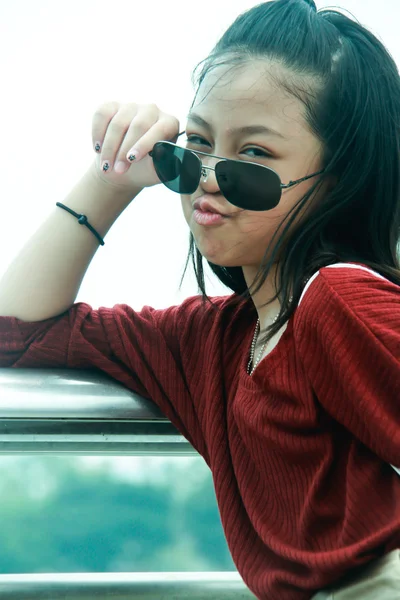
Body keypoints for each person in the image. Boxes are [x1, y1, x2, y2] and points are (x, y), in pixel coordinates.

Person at [0, 0, 399, 597]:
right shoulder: (210, 344)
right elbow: (16, 331)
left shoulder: (340, 302)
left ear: (335, 180)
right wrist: (113, 176)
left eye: (255, 156)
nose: (209, 177)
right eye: (196, 145)